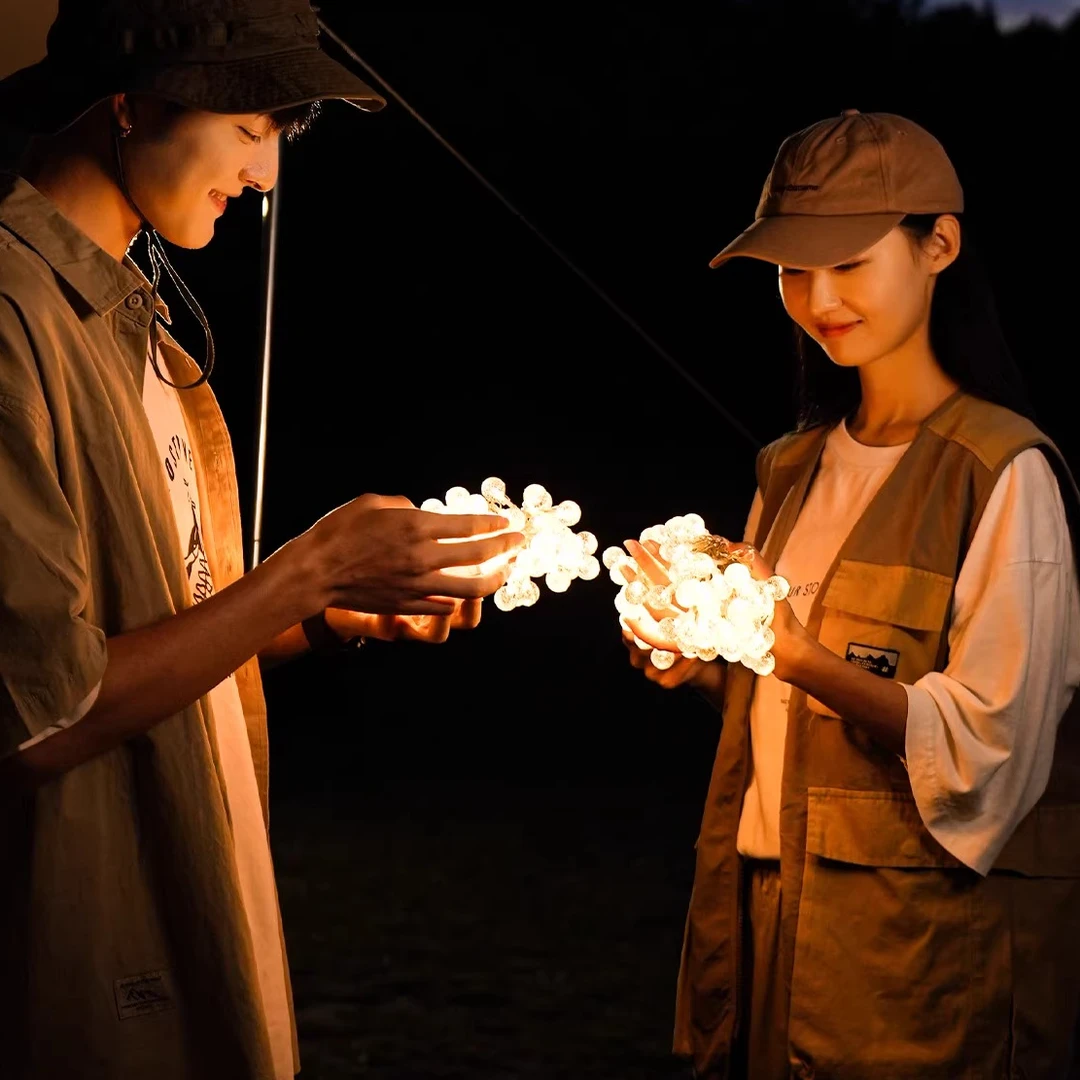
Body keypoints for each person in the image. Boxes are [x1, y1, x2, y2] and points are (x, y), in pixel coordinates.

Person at [0, 3, 523, 1078]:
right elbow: (35, 716)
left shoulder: (134, 317)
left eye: (282, 133)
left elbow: (162, 638)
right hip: (83, 948)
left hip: (202, 892)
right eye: (250, 125)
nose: (267, 172)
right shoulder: (13, 316)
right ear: (128, 102)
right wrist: (308, 569)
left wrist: (325, 615)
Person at [622, 110, 1080, 1078]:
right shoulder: (789, 467)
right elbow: (780, 705)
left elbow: (991, 746)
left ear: (940, 244)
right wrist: (696, 659)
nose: (818, 298)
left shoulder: (1002, 471)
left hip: (909, 952)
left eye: (849, 263)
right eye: (793, 271)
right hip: (760, 910)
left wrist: (796, 656)